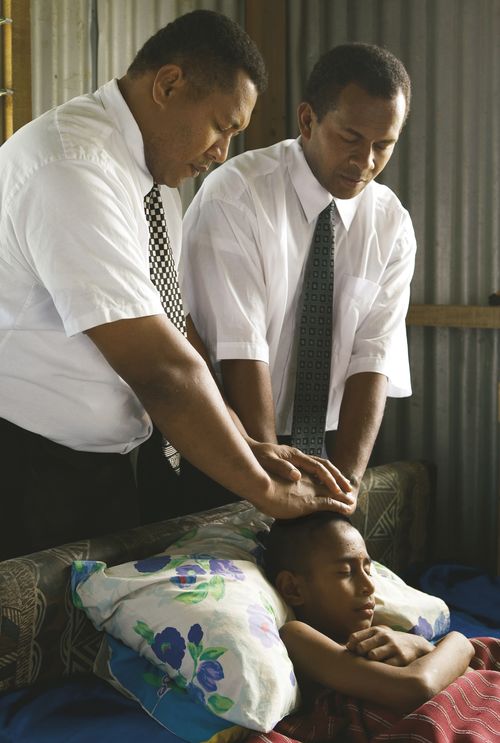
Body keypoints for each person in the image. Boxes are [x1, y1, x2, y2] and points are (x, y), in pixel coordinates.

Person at [0, 10, 352, 561]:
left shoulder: (152, 174)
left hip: (106, 466)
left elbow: (176, 331)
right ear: (168, 84)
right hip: (25, 467)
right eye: (223, 127)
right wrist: (266, 492)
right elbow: (160, 368)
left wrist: (248, 445)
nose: (222, 153)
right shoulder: (72, 167)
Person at [181, 43, 417, 510]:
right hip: (228, 436)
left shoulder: (391, 222)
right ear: (307, 121)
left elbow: (373, 358)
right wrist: (273, 483)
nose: (366, 162)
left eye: (383, 145)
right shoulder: (237, 196)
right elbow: (239, 349)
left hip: (324, 443)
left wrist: (344, 488)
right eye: (350, 138)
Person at [263, 512, 475, 715]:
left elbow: (470, 681)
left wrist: (421, 646)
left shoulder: (382, 633)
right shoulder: (296, 637)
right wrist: (457, 642)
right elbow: (416, 688)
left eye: (368, 570)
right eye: (345, 572)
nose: (369, 586)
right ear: (293, 589)